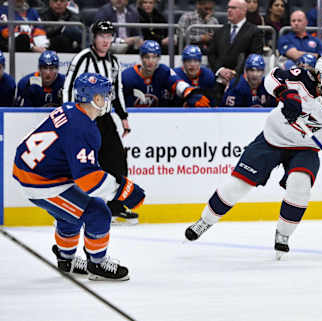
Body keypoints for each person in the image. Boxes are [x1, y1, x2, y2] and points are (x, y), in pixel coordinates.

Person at [185, 55, 322, 259]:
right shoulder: (300, 78)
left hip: (305, 148)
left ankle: (283, 234)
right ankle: (205, 221)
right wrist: (285, 93)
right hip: (272, 139)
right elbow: (271, 78)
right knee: (237, 186)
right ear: (319, 76)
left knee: (300, 185)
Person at [12, 72, 145, 280]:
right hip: (41, 181)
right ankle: (97, 265)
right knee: (98, 212)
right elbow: (88, 180)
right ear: (95, 99)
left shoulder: (69, 109)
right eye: (105, 95)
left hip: (31, 171)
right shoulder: (83, 128)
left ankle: (67, 260)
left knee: (71, 213)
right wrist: (124, 191)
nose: (108, 99)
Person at [63, 20, 135, 224]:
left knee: (117, 160)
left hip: (104, 117)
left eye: (109, 36)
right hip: (82, 117)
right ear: (94, 38)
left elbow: (117, 91)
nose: (105, 40)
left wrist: (123, 117)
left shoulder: (113, 62)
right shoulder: (83, 58)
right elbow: (69, 87)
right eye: (101, 36)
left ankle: (115, 206)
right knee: (81, 163)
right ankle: (71, 208)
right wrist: (70, 116)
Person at [122, 40, 211, 107]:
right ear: (141, 58)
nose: (150, 61)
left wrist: (191, 94)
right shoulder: (127, 76)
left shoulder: (163, 72)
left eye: (154, 57)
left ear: (159, 58)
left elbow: (178, 85)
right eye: (147, 57)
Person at [208, 0, 263, 106]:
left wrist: (234, 73)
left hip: (242, 83)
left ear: (243, 11)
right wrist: (221, 70)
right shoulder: (220, 31)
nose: (229, 10)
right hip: (219, 82)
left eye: (233, 8)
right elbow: (212, 54)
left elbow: (254, 56)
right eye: (228, 7)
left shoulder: (254, 31)